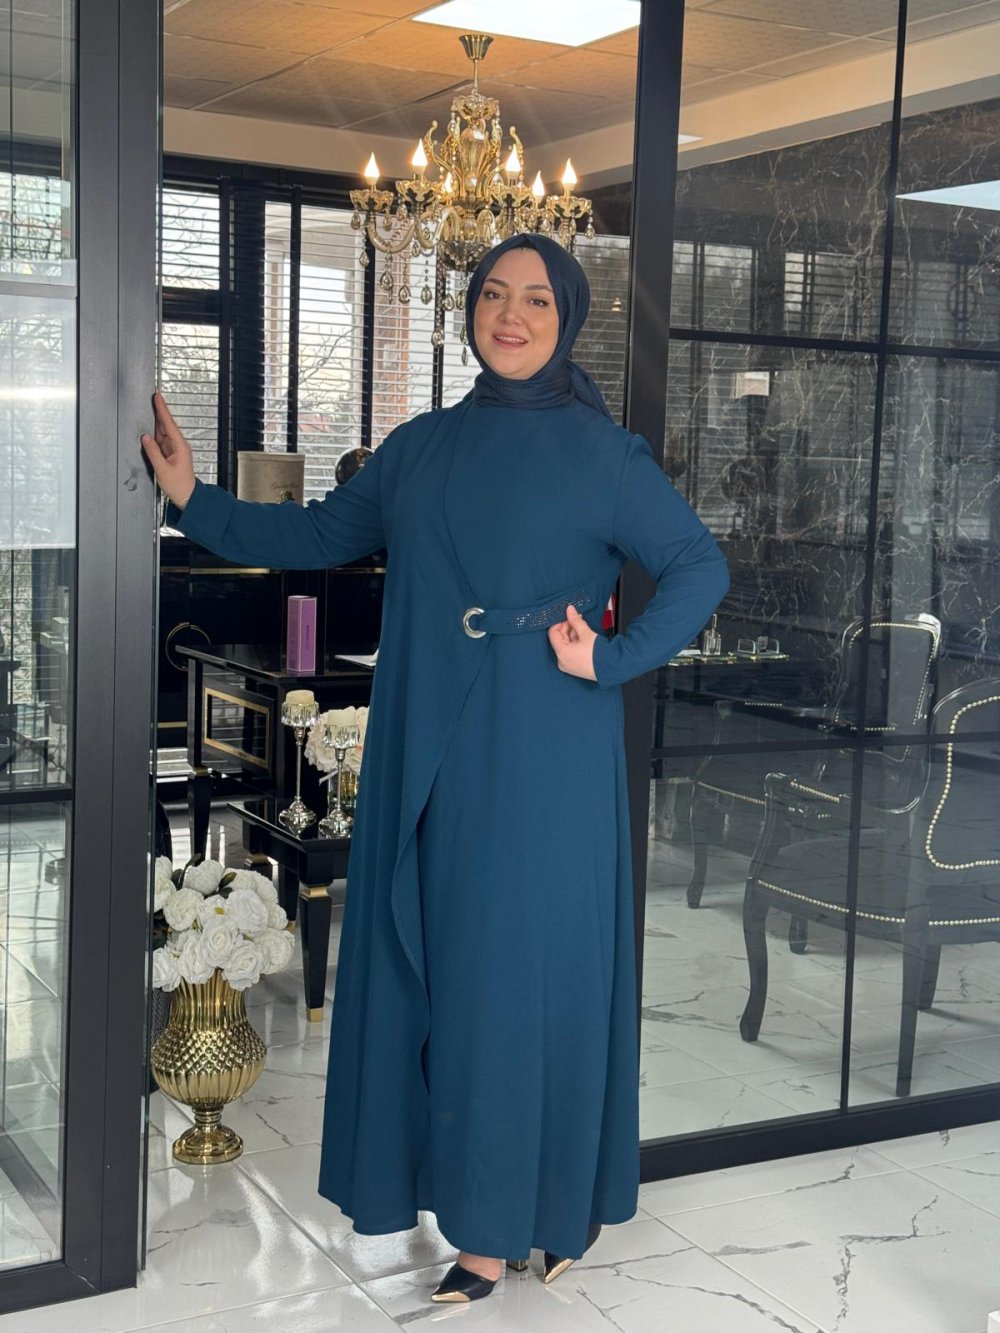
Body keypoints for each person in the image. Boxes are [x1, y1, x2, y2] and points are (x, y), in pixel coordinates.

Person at [142, 233, 729, 1305]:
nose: (511, 315)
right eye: (494, 294)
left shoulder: (608, 457)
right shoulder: (418, 448)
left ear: (568, 318)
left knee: (521, 980)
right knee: (441, 964)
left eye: (537, 300)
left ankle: (514, 1222)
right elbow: (316, 532)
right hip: (426, 740)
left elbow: (700, 564)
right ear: (470, 313)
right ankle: (496, 1203)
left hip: (543, 747)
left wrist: (612, 656)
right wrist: (192, 496)